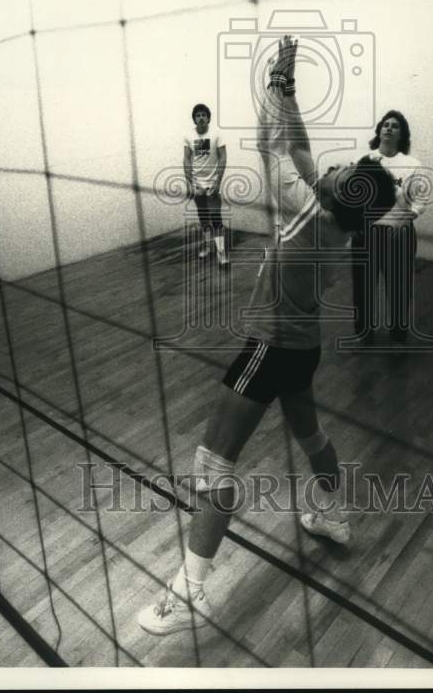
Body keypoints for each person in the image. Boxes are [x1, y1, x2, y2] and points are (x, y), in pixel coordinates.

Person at [138, 37, 396, 636]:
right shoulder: (337, 221)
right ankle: (331, 513)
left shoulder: (303, 208)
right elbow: (302, 149)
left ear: (338, 193)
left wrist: (275, 86)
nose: (332, 167)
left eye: (343, 171)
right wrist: (290, 88)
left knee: (212, 463)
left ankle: (192, 590)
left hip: (269, 347)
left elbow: (271, 144)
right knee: (310, 434)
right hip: (303, 348)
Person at [351, 110, 426, 344]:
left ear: (402, 134)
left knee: (398, 290)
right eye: (385, 124)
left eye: (395, 126)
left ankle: (398, 339)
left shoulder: (412, 165)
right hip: (365, 235)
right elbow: (351, 198)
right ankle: (364, 336)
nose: (389, 128)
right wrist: (354, 224)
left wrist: (401, 223)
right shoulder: (364, 160)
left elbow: (419, 202)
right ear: (379, 130)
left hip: (399, 236)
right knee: (363, 289)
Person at [183, 103, 228, 265]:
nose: (201, 118)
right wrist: (189, 183)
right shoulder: (189, 136)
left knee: (216, 218)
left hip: (212, 182)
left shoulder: (217, 134)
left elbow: (223, 157)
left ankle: (221, 252)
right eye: (198, 115)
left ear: (208, 117)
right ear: (194, 119)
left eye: (204, 115)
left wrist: (218, 181)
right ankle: (208, 245)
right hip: (197, 184)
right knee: (203, 218)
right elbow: (187, 159)